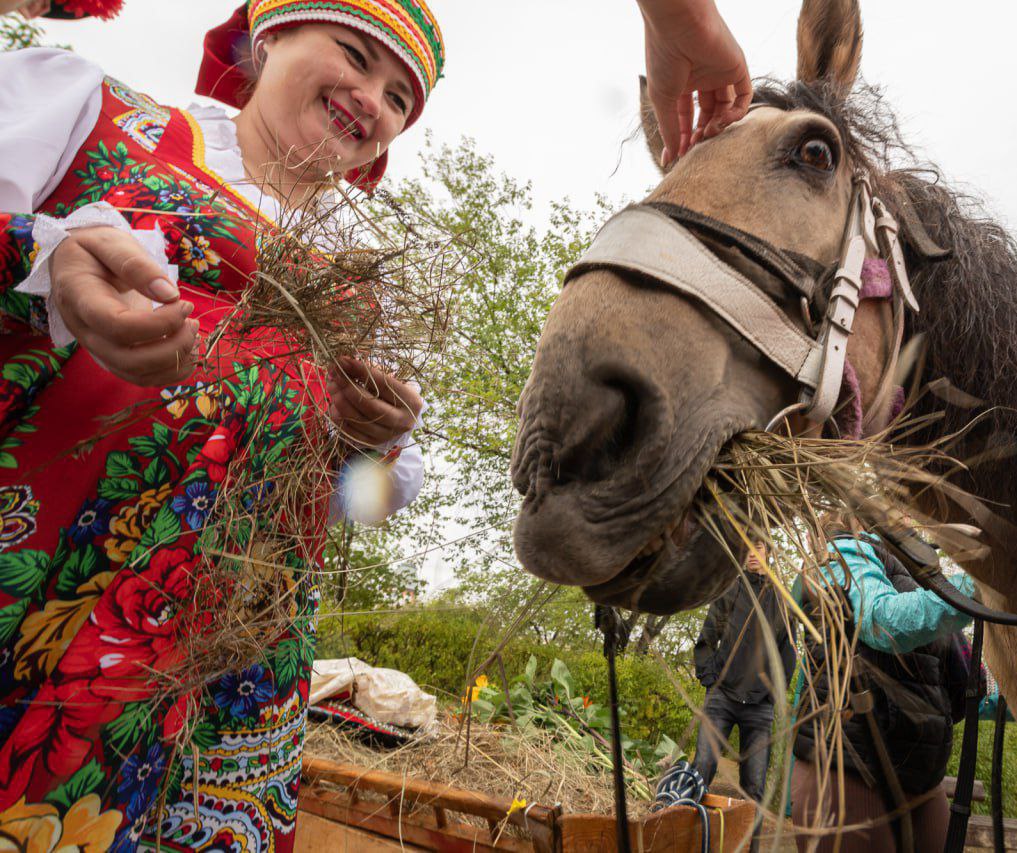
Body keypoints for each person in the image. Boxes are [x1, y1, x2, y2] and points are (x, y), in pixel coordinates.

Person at [0, 2, 754, 849]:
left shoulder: (364, 280)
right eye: (355, 57)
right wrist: (51, 264)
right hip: (46, 583)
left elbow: (361, 500)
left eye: (400, 97)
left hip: (231, 663)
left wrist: (375, 443)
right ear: (270, 37)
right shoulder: (95, 117)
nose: (373, 99)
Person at [789, 517, 983, 853]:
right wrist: (979, 585)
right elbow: (883, 622)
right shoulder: (844, 552)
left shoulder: (920, 572)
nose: (910, 512)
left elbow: (955, 678)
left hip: (922, 773)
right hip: (850, 768)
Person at [692, 541, 796, 808]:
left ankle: (751, 835)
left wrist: (772, 694)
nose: (751, 553)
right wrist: (710, 679)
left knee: (755, 788)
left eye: (757, 546)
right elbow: (707, 638)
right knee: (701, 770)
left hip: (759, 707)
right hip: (721, 699)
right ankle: (690, 827)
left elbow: (788, 653)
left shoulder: (781, 600)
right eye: (746, 547)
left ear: (768, 552)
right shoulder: (729, 590)